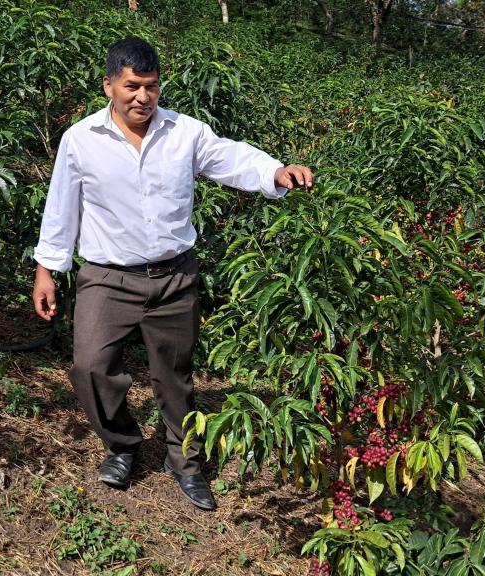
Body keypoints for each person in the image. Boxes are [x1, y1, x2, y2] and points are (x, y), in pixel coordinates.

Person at [32, 37, 313, 511]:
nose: (143, 97)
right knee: (90, 367)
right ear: (108, 86)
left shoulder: (185, 132)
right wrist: (47, 270)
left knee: (174, 374)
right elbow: (61, 206)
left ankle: (185, 462)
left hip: (174, 277)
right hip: (107, 276)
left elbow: (231, 157)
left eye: (152, 86)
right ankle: (122, 445)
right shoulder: (80, 139)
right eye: (132, 86)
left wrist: (275, 172)